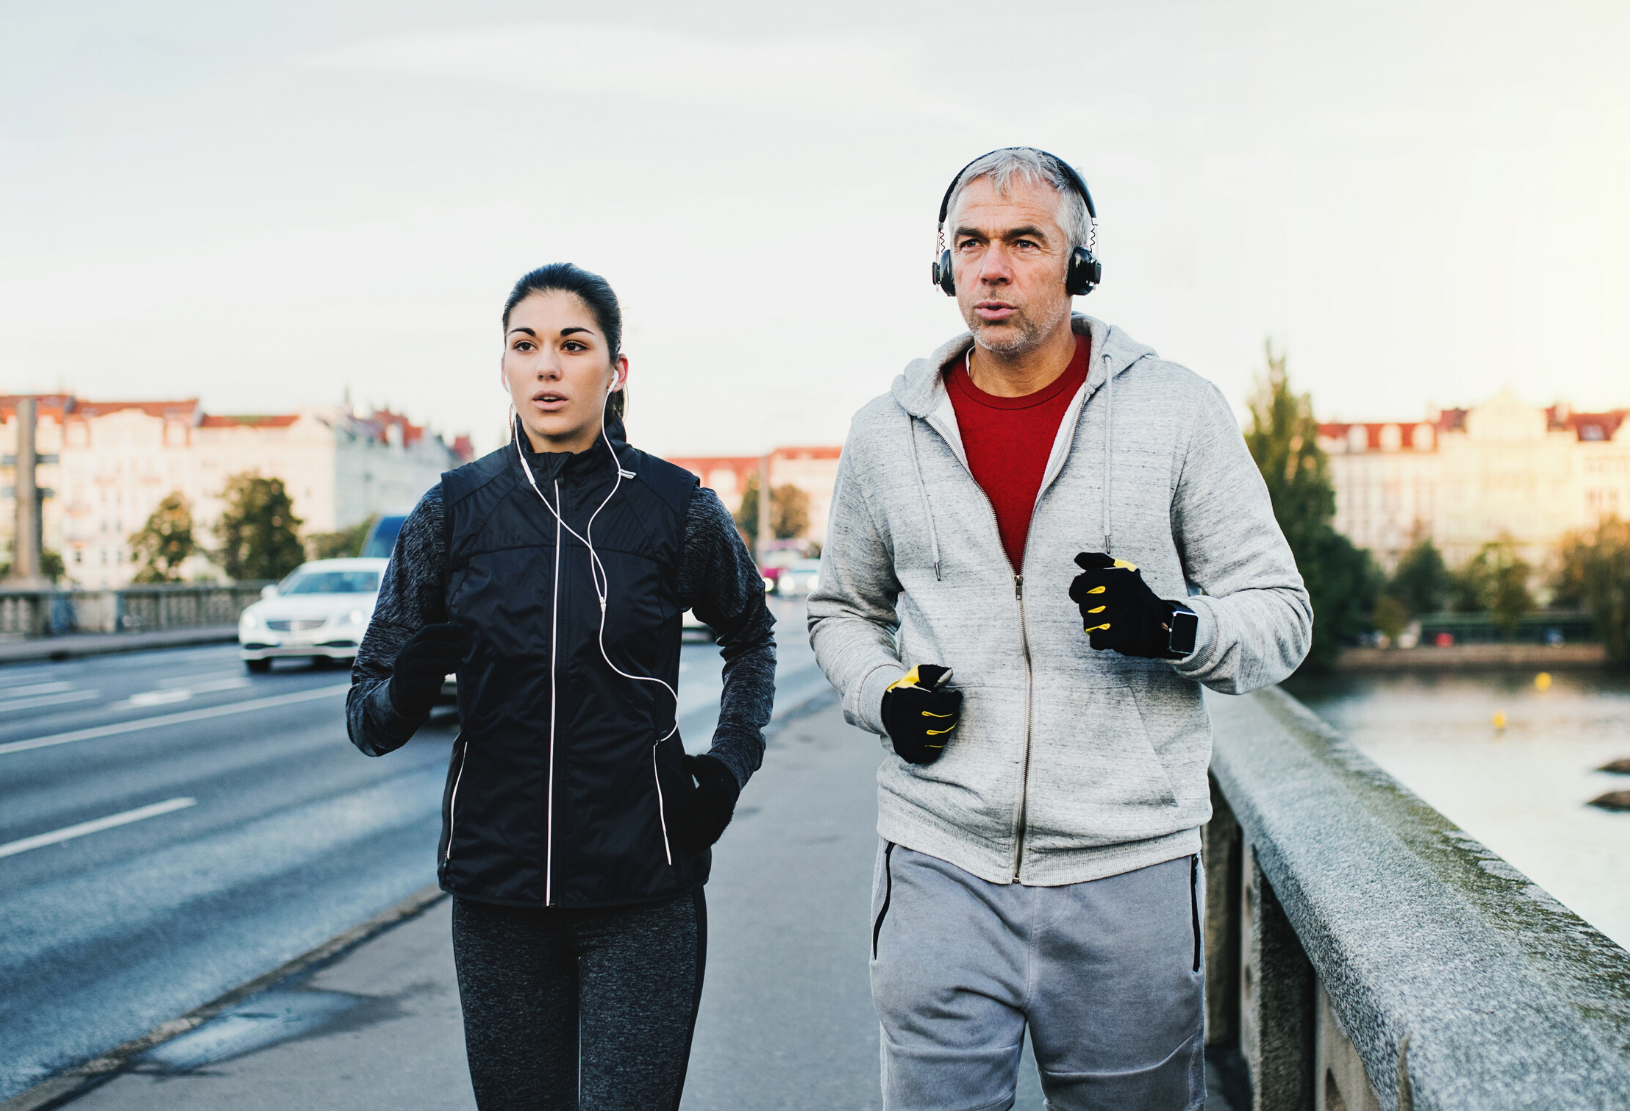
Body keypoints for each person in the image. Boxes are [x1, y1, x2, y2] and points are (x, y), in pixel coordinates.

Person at [808, 148, 1312, 1110]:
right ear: (943, 265)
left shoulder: (1177, 412)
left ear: (1079, 265)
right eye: (970, 244)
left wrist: (1172, 625)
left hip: (1128, 876)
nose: (991, 268)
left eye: (1023, 242)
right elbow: (841, 611)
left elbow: (1281, 617)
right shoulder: (885, 431)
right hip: (938, 863)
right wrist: (883, 695)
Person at [346, 262, 776, 1111]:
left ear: (615, 370)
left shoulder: (674, 506)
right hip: (499, 893)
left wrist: (727, 767)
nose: (547, 366)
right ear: (503, 365)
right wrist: (407, 689)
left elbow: (752, 636)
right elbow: (367, 711)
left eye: (573, 345)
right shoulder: (451, 513)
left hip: (643, 892)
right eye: (525, 345)